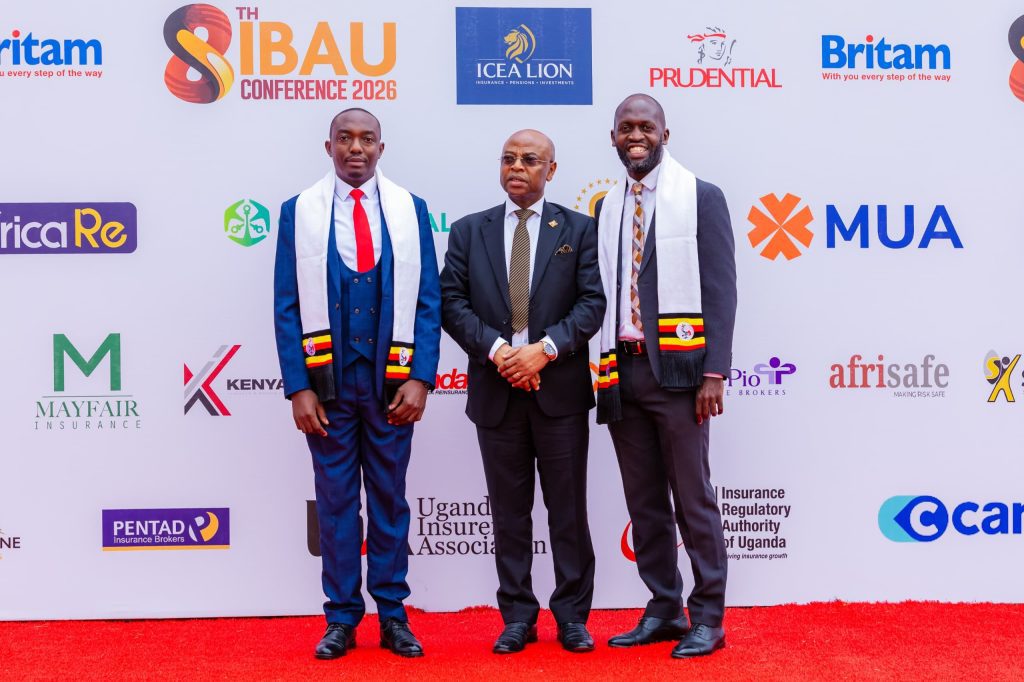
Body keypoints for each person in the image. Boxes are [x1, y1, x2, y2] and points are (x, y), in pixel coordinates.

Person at [273, 108, 441, 660]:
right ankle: (342, 618)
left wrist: (421, 377)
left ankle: (393, 615)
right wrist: (298, 386)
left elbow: (428, 301)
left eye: (367, 139)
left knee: (390, 500)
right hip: (328, 387)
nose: (356, 148)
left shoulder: (411, 209)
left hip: (391, 383)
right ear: (328, 148)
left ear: (381, 148)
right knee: (337, 502)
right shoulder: (299, 212)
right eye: (344, 138)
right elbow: (287, 305)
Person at [440, 129, 605, 654]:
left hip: (560, 394)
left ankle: (572, 617)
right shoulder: (469, 231)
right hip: (496, 393)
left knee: (568, 511)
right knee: (509, 514)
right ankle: (517, 616)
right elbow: (451, 303)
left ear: (550, 170)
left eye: (530, 159)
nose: (517, 167)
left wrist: (544, 350)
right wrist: (500, 352)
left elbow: (592, 303)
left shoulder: (579, 229)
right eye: (508, 158)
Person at [595, 94, 737, 658]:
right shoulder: (607, 206)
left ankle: (709, 617)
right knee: (644, 501)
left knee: (692, 498)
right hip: (621, 369)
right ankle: (664, 608)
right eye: (626, 128)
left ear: (665, 134)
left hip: (681, 373)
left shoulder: (700, 197)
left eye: (646, 127)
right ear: (613, 138)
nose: (636, 136)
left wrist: (715, 372)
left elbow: (721, 292)